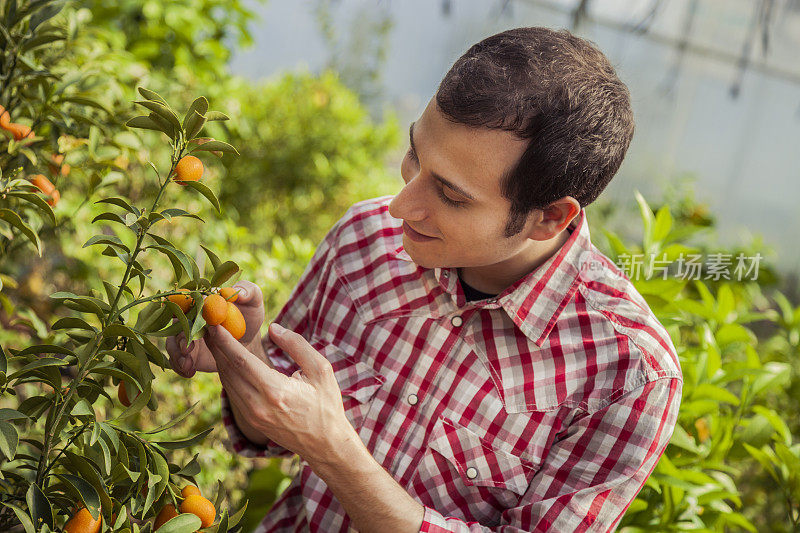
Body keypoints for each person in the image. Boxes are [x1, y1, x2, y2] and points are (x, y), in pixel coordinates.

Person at [166, 26, 683, 533]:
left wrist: (337, 453)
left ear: (549, 217)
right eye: (415, 154)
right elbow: (276, 426)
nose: (399, 205)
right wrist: (246, 354)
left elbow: (321, 438)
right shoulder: (364, 240)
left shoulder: (626, 374)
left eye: (451, 196)